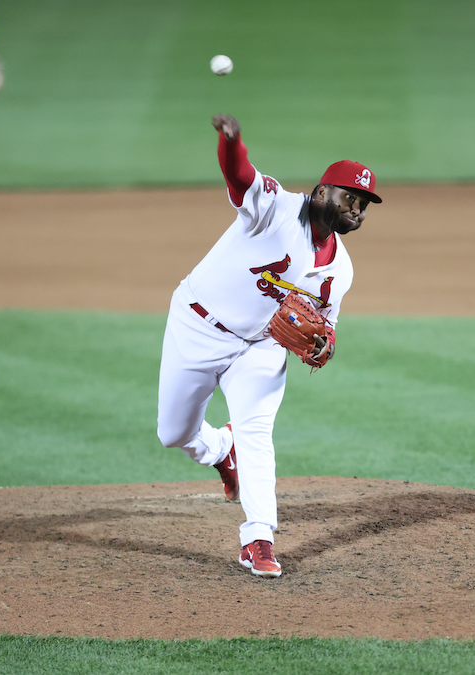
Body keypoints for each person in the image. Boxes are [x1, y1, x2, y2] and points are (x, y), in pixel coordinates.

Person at [156, 114, 382, 578]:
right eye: (349, 197)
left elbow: (326, 327)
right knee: (173, 433)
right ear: (322, 192)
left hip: (258, 348)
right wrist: (231, 141)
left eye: (364, 204)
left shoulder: (342, 270)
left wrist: (324, 345)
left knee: (258, 433)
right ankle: (220, 450)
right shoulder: (275, 206)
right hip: (197, 324)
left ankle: (259, 538)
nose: (356, 209)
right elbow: (239, 176)